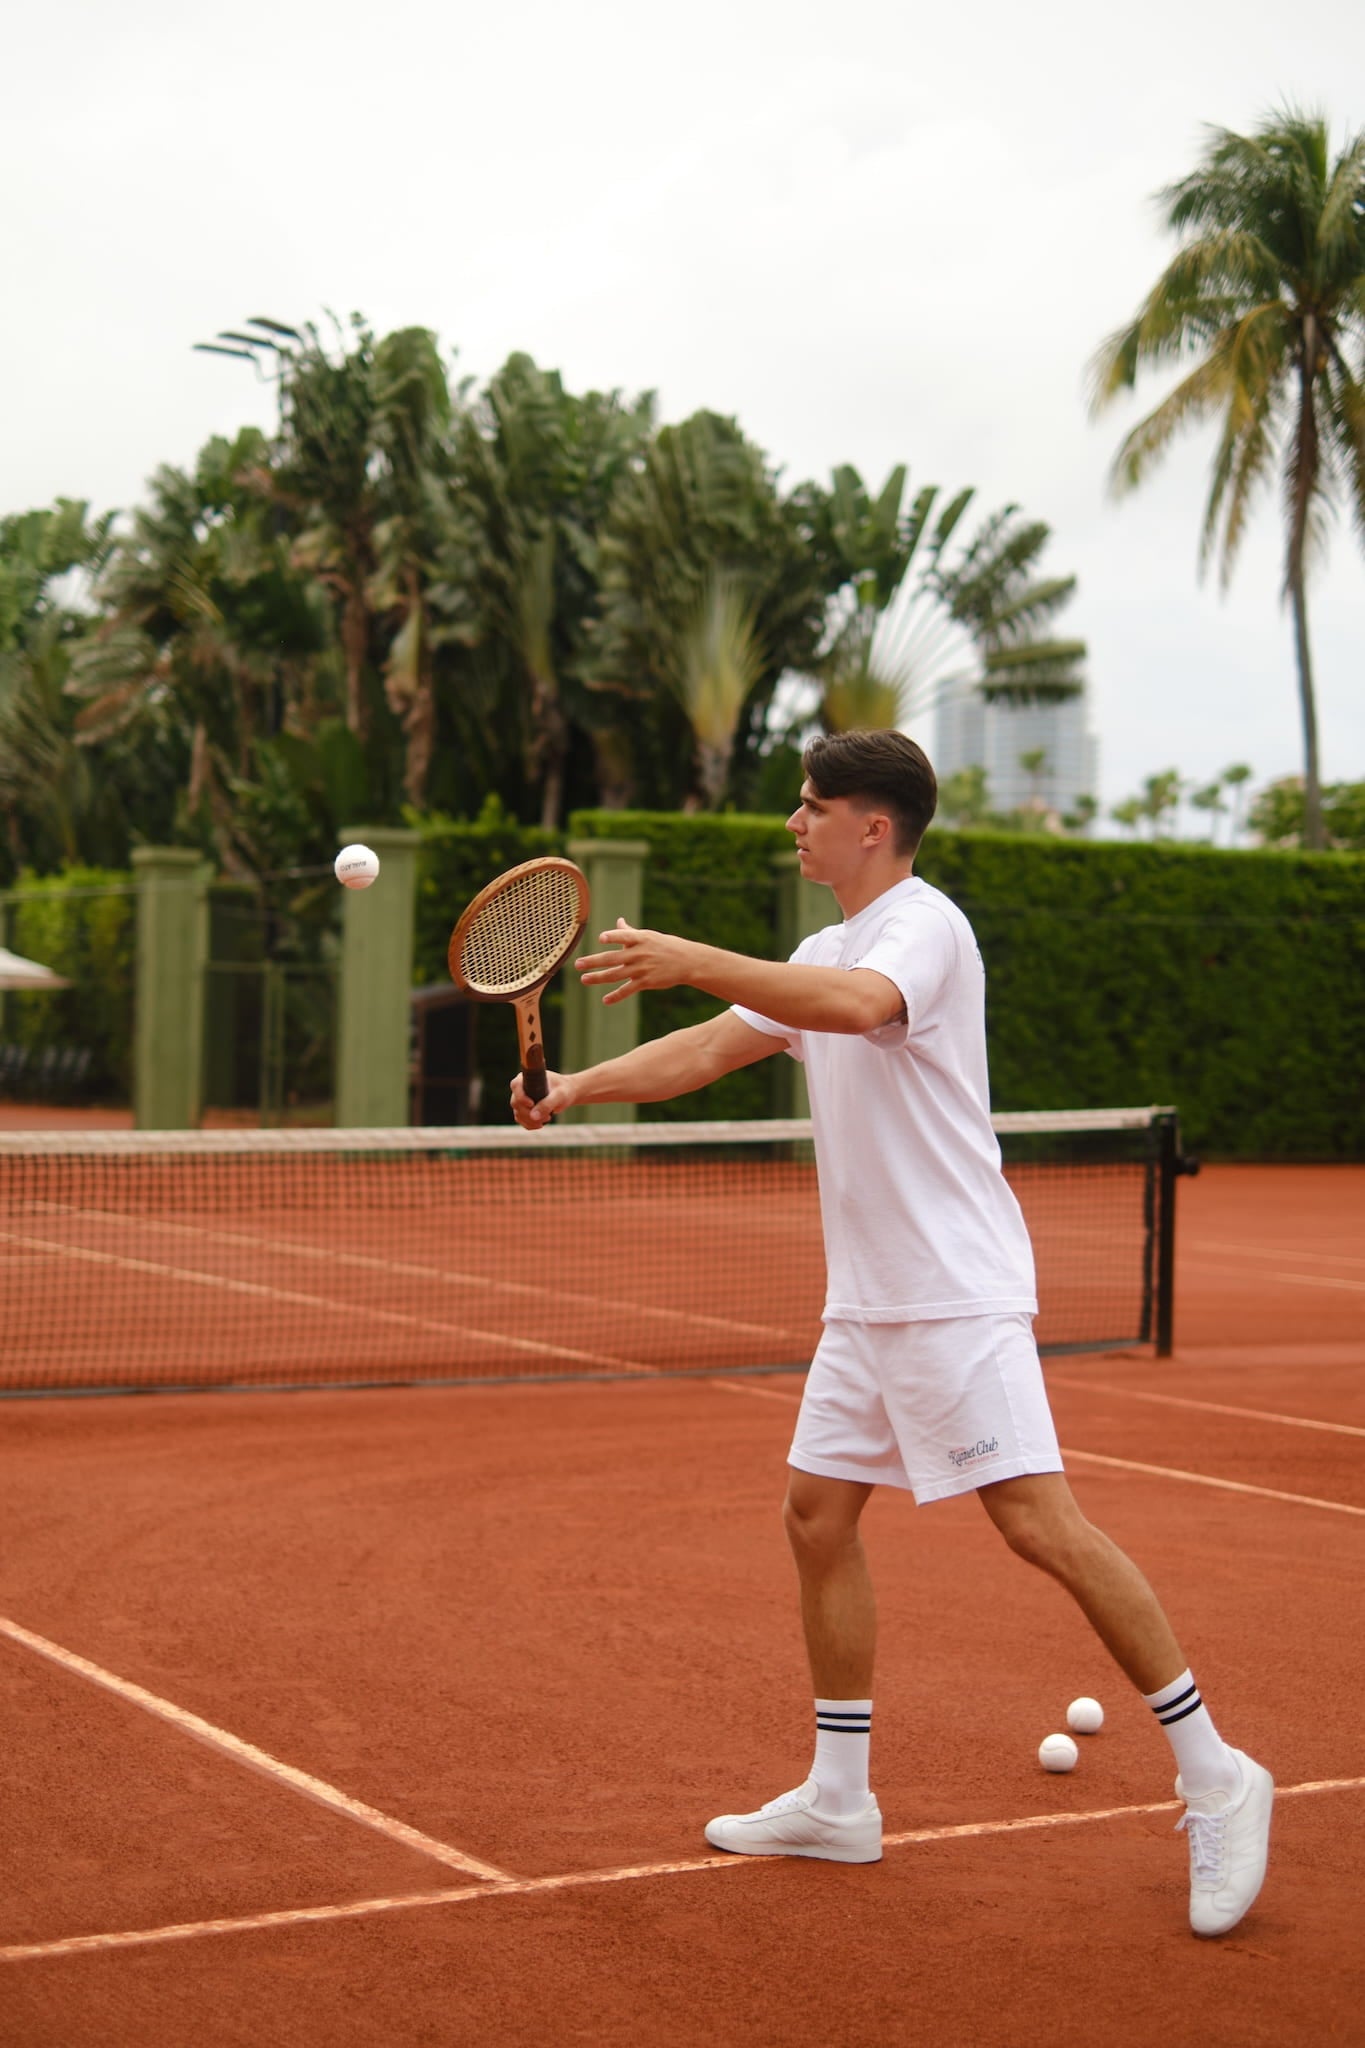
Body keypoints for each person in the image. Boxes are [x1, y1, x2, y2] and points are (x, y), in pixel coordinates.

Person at [509, 728, 1273, 1938]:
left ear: (876, 826)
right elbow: (716, 1047)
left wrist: (701, 956)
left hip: (956, 1292)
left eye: (814, 807)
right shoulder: (821, 946)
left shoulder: (924, 928)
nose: (795, 823)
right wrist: (574, 1090)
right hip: (866, 1303)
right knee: (816, 1512)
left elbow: (858, 1007)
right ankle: (840, 1796)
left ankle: (1218, 1770)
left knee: (1039, 1523)